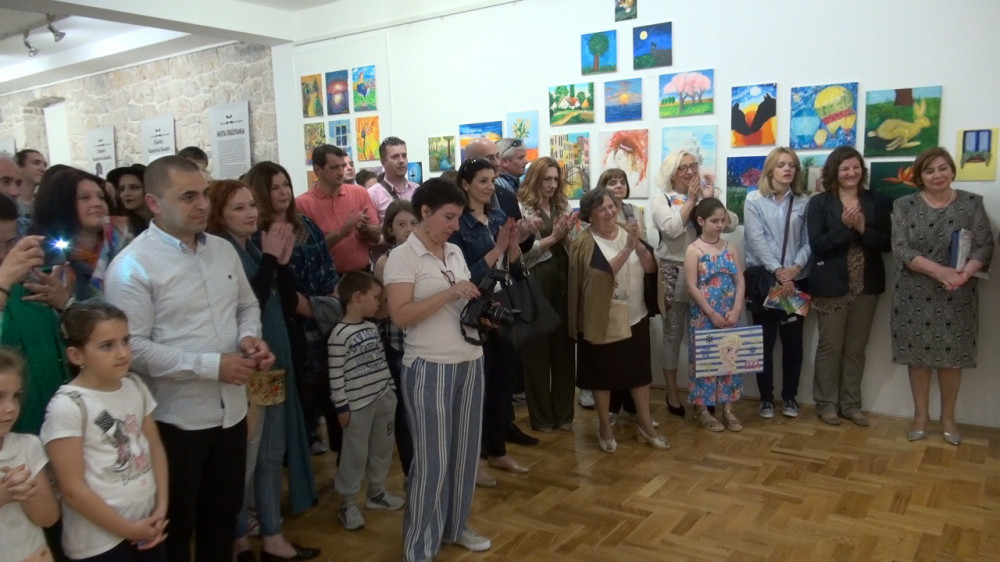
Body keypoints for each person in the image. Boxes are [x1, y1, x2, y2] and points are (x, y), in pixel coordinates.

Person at [105, 155, 275, 561]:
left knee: (222, 515)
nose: (202, 204)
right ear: (153, 203)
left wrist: (249, 338)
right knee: (177, 527)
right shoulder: (133, 266)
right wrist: (212, 366)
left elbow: (246, 306)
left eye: (204, 194)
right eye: (188, 197)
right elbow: (133, 348)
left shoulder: (222, 250)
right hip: (175, 419)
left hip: (230, 411)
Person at [206, 180, 319, 562]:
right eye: (239, 208)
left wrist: (280, 262)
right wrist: (271, 259)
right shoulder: (222, 254)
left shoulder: (253, 248)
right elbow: (242, 305)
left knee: (271, 454)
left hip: (271, 360)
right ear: (219, 214)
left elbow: (283, 301)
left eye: (252, 205)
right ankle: (239, 539)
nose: (251, 213)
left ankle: (272, 535)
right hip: (245, 366)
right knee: (246, 460)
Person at [384, 178, 492, 560]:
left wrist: (480, 312)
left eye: (458, 217)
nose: (454, 226)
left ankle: (454, 526)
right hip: (429, 366)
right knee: (432, 461)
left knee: (465, 453)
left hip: (469, 361)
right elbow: (400, 316)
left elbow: (460, 304)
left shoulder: (454, 251)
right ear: (425, 212)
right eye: (448, 217)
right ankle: (420, 544)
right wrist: (450, 292)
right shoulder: (403, 257)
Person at [41, 301, 169, 560]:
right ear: (76, 356)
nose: (122, 353)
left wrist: (161, 507)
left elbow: (155, 447)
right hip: (98, 543)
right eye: (107, 346)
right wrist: (129, 530)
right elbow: (72, 490)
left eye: (126, 341)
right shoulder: (68, 406)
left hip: (146, 524)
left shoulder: (134, 385)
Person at [890, 147, 993, 445]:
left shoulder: (972, 204)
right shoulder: (904, 205)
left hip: (957, 293)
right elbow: (901, 249)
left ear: (952, 170)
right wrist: (940, 272)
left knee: (952, 359)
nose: (937, 175)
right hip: (914, 294)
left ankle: (948, 418)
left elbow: (984, 246)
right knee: (918, 359)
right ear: (920, 176)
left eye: (942, 168)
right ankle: (920, 417)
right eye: (929, 170)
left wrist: (963, 273)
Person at [244, 161, 341, 458]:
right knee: (300, 384)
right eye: (274, 187)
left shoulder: (306, 224)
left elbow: (327, 265)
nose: (283, 192)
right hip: (287, 318)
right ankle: (301, 439)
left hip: (320, 312)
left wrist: (327, 303)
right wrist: (305, 307)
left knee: (326, 382)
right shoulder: (257, 233)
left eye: (285, 184)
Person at [568, 188, 668, 453]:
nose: (610, 212)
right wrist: (626, 250)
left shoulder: (627, 230)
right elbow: (597, 278)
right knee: (602, 376)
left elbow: (650, 267)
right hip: (601, 319)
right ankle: (604, 426)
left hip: (636, 315)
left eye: (611, 206)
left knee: (640, 374)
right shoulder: (584, 241)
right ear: (589, 215)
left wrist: (638, 247)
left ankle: (645, 426)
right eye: (602, 209)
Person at [449, 158, 528, 484]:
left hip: (501, 307)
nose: (490, 186)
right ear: (465, 184)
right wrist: (497, 248)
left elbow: (515, 268)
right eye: (482, 180)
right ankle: (473, 459)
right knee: (476, 390)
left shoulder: (497, 217)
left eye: (492, 180)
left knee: (501, 385)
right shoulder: (457, 225)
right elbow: (464, 275)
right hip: (474, 312)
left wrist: (513, 245)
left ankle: (497, 449)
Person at [806, 146, 891, 427]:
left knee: (856, 347)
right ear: (835, 172)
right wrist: (845, 227)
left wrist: (863, 227)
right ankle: (826, 404)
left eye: (856, 167)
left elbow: (887, 244)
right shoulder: (820, 203)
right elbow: (818, 245)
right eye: (845, 169)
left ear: (862, 170)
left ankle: (851, 404)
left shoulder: (876, 201)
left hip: (867, 284)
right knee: (830, 346)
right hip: (830, 285)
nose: (851, 173)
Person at [651, 149, 738, 420]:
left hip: (708, 277)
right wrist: (691, 201)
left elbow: (732, 224)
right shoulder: (662, 198)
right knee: (673, 335)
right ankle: (672, 392)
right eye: (683, 167)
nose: (690, 172)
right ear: (672, 173)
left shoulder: (705, 195)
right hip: (674, 274)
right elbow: (672, 229)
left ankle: (706, 394)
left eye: (693, 166)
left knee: (705, 337)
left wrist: (710, 199)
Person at [328, 272, 405, 530]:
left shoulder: (372, 328)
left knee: (382, 448)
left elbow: (381, 362)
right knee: (355, 454)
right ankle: (348, 502)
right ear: (358, 297)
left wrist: (390, 391)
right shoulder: (339, 334)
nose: (379, 304)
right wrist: (342, 406)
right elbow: (335, 374)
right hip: (357, 406)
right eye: (375, 298)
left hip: (383, 399)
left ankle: (376, 492)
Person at [743, 147, 810, 419]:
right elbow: (756, 240)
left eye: (792, 165)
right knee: (764, 342)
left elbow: (808, 241)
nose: (787, 169)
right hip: (765, 279)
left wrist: (794, 269)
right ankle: (766, 399)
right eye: (781, 164)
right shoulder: (753, 200)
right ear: (770, 169)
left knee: (793, 342)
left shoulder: (804, 201)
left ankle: (790, 397)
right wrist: (779, 271)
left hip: (794, 281)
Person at [516, 157, 576, 432]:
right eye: (546, 179)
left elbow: (573, 245)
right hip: (535, 280)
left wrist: (569, 237)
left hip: (563, 277)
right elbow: (521, 255)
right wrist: (553, 238)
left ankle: (564, 414)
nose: (552, 185)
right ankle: (541, 417)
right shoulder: (522, 207)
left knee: (564, 348)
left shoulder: (562, 205)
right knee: (537, 351)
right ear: (535, 180)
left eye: (555, 179)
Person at [686, 198, 746, 432]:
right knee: (705, 361)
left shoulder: (729, 248)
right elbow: (692, 286)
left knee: (729, 360)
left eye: (723, 220)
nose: (720, 225)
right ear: (701, 221)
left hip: (729, 314)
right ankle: (702, 409)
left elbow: (739, 280)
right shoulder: (694, 250)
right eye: (715, 221)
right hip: (704, 315)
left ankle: (728, 409)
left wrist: (736, 309)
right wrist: (710, 313)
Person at [30, 168, 126, 303]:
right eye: (84, 197)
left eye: (101, 197)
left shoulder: (123, 248)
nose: (97, 203)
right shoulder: (46, 260)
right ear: (61, 204)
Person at [0, 349, 60, 562]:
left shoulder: (28, 446)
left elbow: (48, 518)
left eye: (16, 396)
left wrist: (27, 493)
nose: (10, 408)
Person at [372, 200, 417, 476]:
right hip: (396, 341)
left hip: (421, 338)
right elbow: (379, 310)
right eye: (401, 224)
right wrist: (403, 301)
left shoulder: (425, 256)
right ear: (390, 229)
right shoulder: (385, 262)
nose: (408, 229)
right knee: (403, 409)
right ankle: (410, 468)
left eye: (413, 223)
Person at [296, 145, 381, 274]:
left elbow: (376, 237)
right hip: (326, 279)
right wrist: (341, 233)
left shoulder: (359, 192)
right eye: (334, 167)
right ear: (317, 170)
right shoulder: (302, 204)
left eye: (342, 166)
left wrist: (364, 228)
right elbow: (307, 252)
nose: (341, 172)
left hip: (362, 274)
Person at [368, 137, 418, 222]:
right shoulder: (373, 194)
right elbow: (372, 228)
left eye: (404, 156)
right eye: (395, 157)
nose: (401, 160)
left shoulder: (417, 190)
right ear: (383, 162)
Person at [108, 165, 151, 236]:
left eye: (134, 188)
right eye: (121, 189)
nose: (126, 194)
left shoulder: (163, 219)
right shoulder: (117, 225)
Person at [16, 149, 47, 220]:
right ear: (19, 167)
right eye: (36, 163)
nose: (43, 169)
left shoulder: (43, 204)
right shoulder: (8, 202)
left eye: (44, 165)